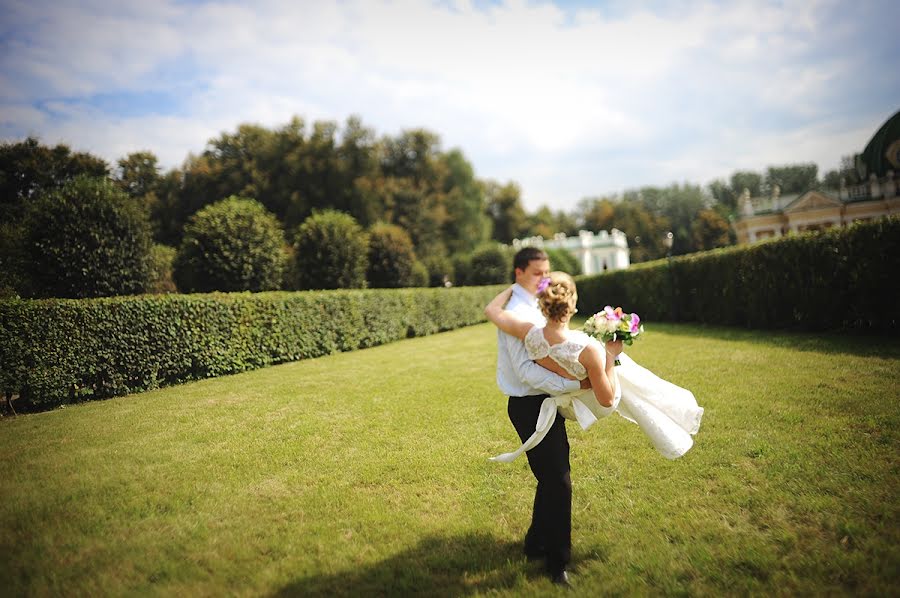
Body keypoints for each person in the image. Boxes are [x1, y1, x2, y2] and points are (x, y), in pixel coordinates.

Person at [485, 269, 704, 462]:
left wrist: (514, 287)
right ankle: (674, 410)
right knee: (623, 369)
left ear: (541, 302)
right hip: (594, 404)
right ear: (572, 304)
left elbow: (492, 311)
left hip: (568, 402)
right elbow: (607, 401)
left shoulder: (529, 334)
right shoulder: (587, 349)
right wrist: (612, 356)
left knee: (622, 371)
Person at [490, 248, 588, 586]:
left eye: (547, 272)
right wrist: (577, 383)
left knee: (551, 477)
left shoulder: (535, 302)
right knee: (559, 481)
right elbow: (527, 373)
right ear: (518, 272)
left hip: (544, 400)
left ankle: (535, 543)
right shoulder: (519, 311)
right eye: (537, 273)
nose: (545, 280)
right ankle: (557, 563)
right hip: (528, 404)